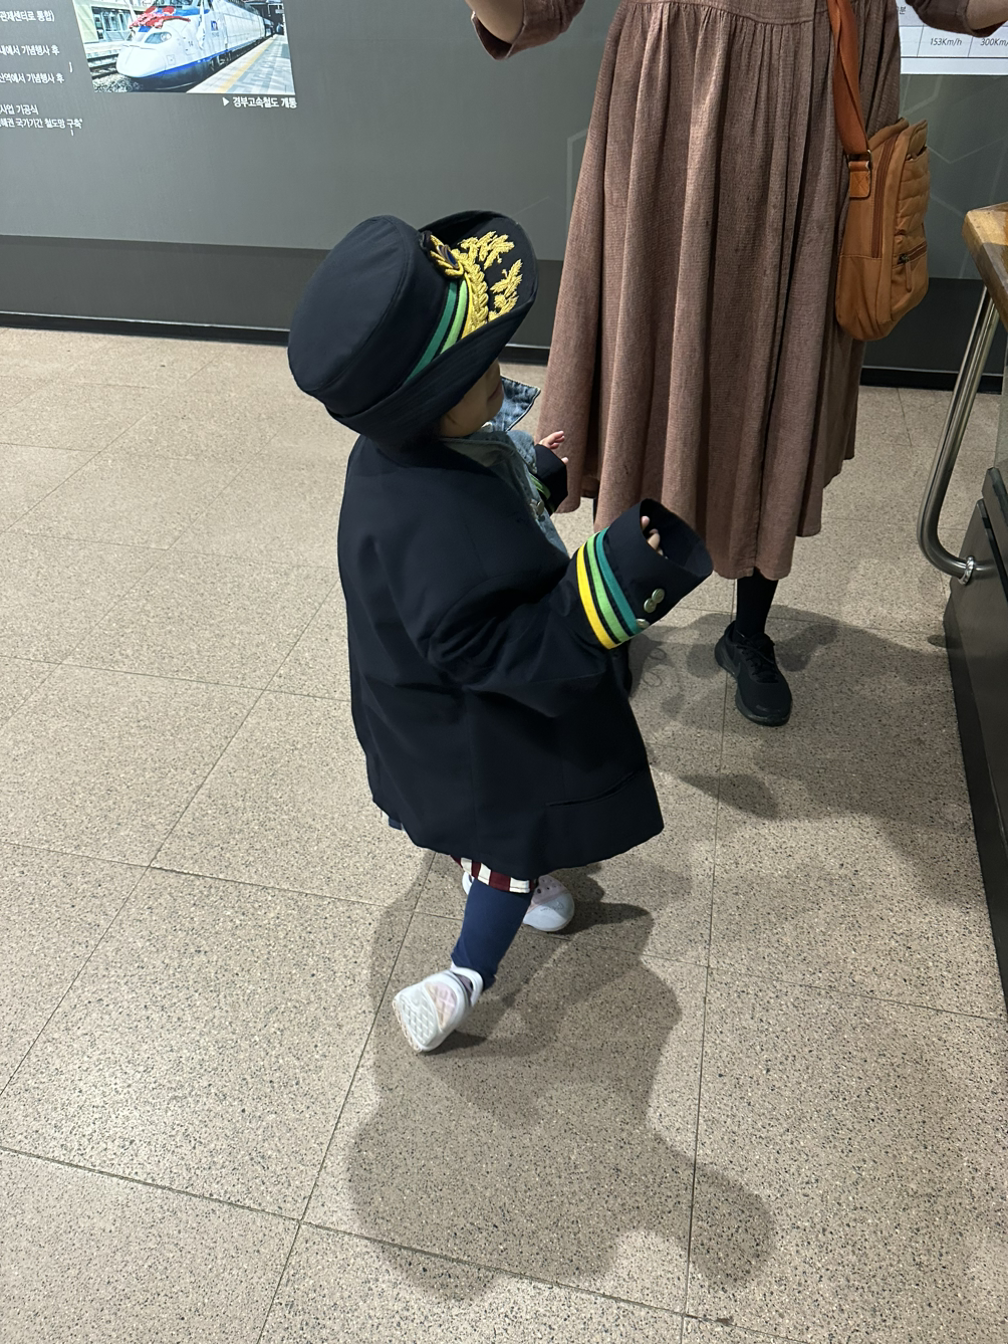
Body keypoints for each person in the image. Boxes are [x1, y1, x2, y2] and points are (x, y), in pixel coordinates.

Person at [465, 0, 1008, 727]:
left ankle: (749, 630)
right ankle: (616, 610)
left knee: (782, 376)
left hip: (817, 115)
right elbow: (535, 11)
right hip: (673, 106)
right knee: (644, 365)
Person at [287, 210, 712, 1051]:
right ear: (423, 405)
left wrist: (533, 470)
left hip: (417, 701)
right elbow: (486, 641)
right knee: (510, 841)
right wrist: (615, 581)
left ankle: (496, 868)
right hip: (475, 724)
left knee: (485, 834)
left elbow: (486, 489)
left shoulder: (402, 459)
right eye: (475, 371)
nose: (499, 377)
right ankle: (462, 979)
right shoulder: (438, 521)